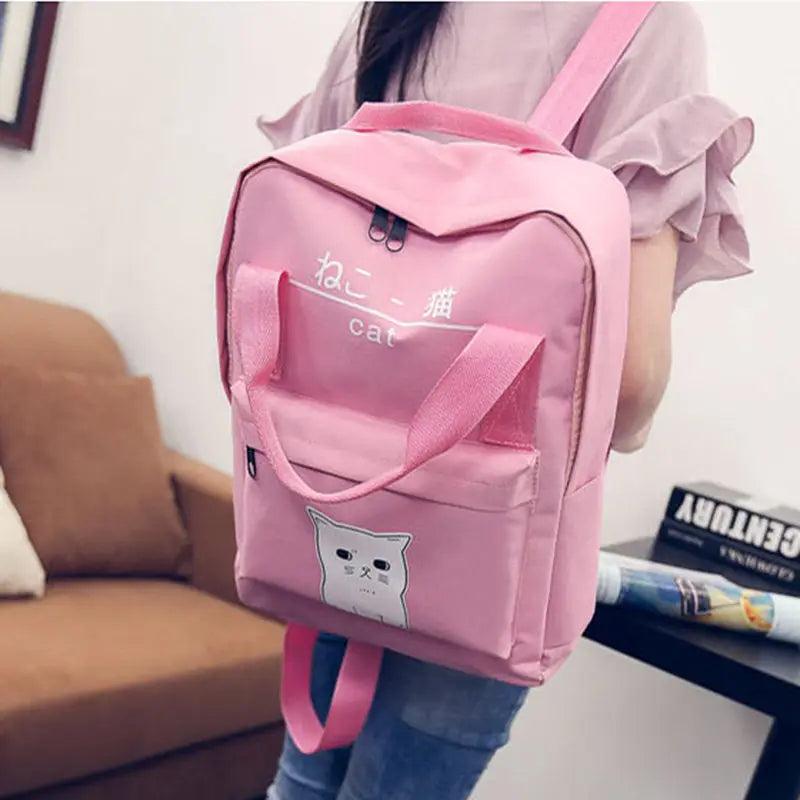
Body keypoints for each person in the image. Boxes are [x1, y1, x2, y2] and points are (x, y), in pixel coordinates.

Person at [259, 3, 753, 798]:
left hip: (329, 488)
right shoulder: (646, 25)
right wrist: (628, 430)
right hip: (488, 542)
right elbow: (627, 383)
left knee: (299, 781)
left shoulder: (393, 10)